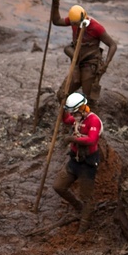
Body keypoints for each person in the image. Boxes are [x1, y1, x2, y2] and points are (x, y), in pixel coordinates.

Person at [51, 0, 118, 112]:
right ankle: (68, 120)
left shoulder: (96, 27)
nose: (75, 25)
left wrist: (106, 64)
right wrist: (56, 4)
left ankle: (91, 123)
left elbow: (112, 45)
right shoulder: (73, 21)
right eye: (74, 24)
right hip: (77, 62)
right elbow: (56, 21)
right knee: (62, 95)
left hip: (90, 64)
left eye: (77, 23)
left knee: (89, 100)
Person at [52, 92, 103, 233]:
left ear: (82, 108)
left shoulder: (93, 121)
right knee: (58, 186)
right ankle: (78, 207)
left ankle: (84, 225)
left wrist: (72, 139)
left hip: (88, 163)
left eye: (75, 111)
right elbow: (65, 119)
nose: (73, 115)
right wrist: (62, 108)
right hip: (75, 160)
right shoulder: (77, 117)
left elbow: (92, 140)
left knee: (86, 196)